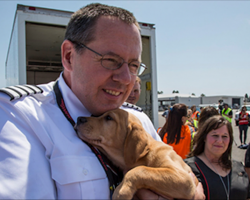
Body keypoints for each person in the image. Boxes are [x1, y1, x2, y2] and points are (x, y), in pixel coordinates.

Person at [0, 3, 204, 200]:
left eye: (133, 65)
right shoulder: (18, 117)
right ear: (69, 56)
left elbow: (183, 179)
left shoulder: (138, 119)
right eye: (110, 60)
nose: (125, 78)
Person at [185, 115, 249, 200]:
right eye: (215, 135)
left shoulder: (239, 167)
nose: (219, 141)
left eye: (224, 136)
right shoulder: (188, 168)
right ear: (204, 137)